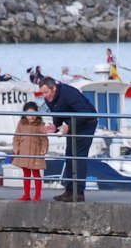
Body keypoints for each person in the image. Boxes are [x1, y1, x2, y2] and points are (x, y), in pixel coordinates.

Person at [35, 74, 98, 202]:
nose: (45, 96)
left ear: (54, 89)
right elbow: (57, 114)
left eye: (46, 92)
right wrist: (55, 127)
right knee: (69, 155)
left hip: (87, 123)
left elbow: (85, 113)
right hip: (72, 124)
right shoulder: (49, 98)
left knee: (78, 157)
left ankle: (78, 193)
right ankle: (69, 191)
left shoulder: (69, 93)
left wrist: (68, 127)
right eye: (42, 93)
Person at [11, 101, 49, 202]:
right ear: (24, 114)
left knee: (36, 174)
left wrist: (44, 149)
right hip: (23, 152)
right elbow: (16, 137)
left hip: (36, 153)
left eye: (33, 114)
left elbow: (44, 139)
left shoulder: (41, 124)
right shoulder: (21, 124)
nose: (31, 116)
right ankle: (26, 194)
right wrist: (16, 147)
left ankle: (37, 195)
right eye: (28, 114)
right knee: (26, 174)